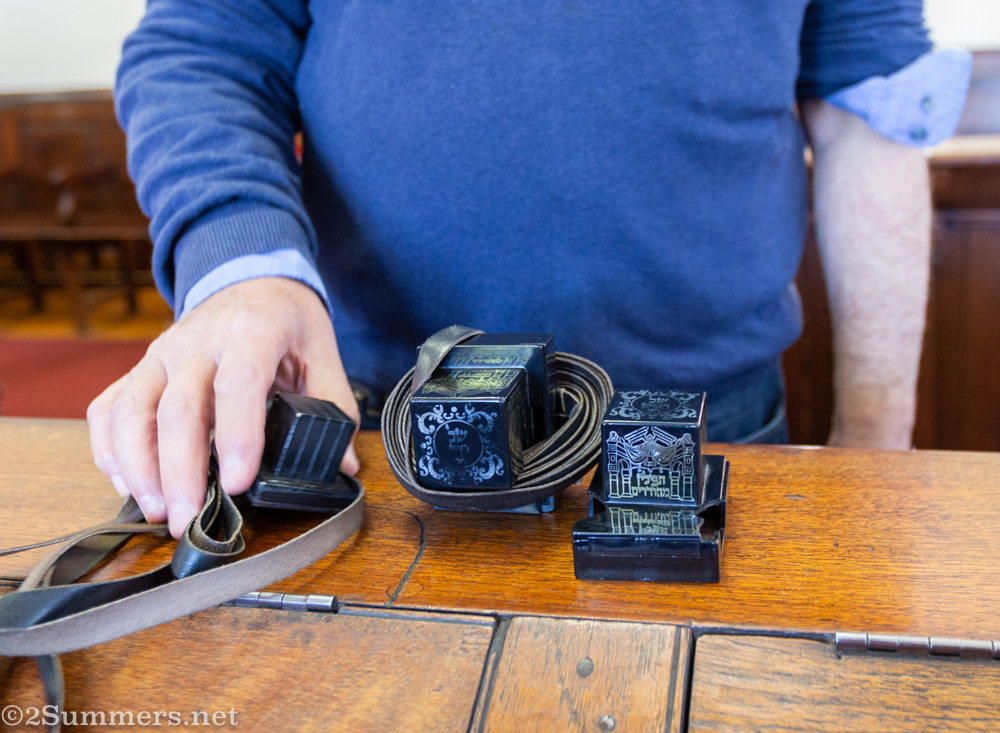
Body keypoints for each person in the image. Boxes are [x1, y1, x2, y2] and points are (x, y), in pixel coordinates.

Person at [87, 0, 971, 537]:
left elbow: (871, 110)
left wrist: (875, 450)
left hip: (711, 421)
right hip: (373, 420)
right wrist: (242, 267)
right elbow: (204, 47)